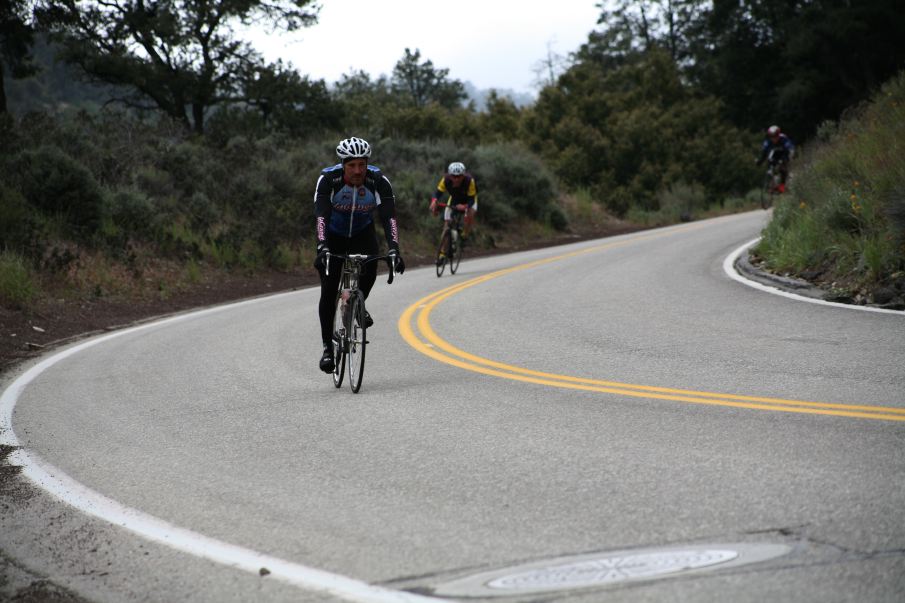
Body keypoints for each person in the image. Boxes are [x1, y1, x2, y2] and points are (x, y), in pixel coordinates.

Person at [313, 136, 405, 373]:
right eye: (352, 165)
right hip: (333, 236)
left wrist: (394, 248)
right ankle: (327, 348)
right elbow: (321, 215)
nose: (357, 170)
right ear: (343, 164)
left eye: (362, 165)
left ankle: (356, 304)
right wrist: (322, 246)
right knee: (329, 287)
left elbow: (389, 217)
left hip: (363, 233)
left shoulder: (378, 181)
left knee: (371, 270)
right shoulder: (328, 180)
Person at [429, 162, 478, 252]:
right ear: (449, 175)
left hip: (468, 200)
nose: (456, 179)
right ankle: (443, 253)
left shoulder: (469, 181)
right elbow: (437, 193)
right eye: (453, 176)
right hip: (455, 199)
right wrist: (434, 201)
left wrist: (465, 206)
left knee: (470, 213)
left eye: (459, 176)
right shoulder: (445, 180)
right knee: (446, 226)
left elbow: (472, 200)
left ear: (463, 175)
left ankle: (464, 235)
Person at [756, 125, 795, 193]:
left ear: (778, 134)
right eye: (771, 136)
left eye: (775, 136)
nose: (773, 138)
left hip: (785, 152)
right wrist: (760, 161)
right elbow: (764, 153)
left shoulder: (783, 139)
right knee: (770, 160)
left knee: (782, 165)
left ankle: (782, 185)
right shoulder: (767, 141)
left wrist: (785, 160)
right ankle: (772, 182)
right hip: (775, 153)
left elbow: (789, 149)